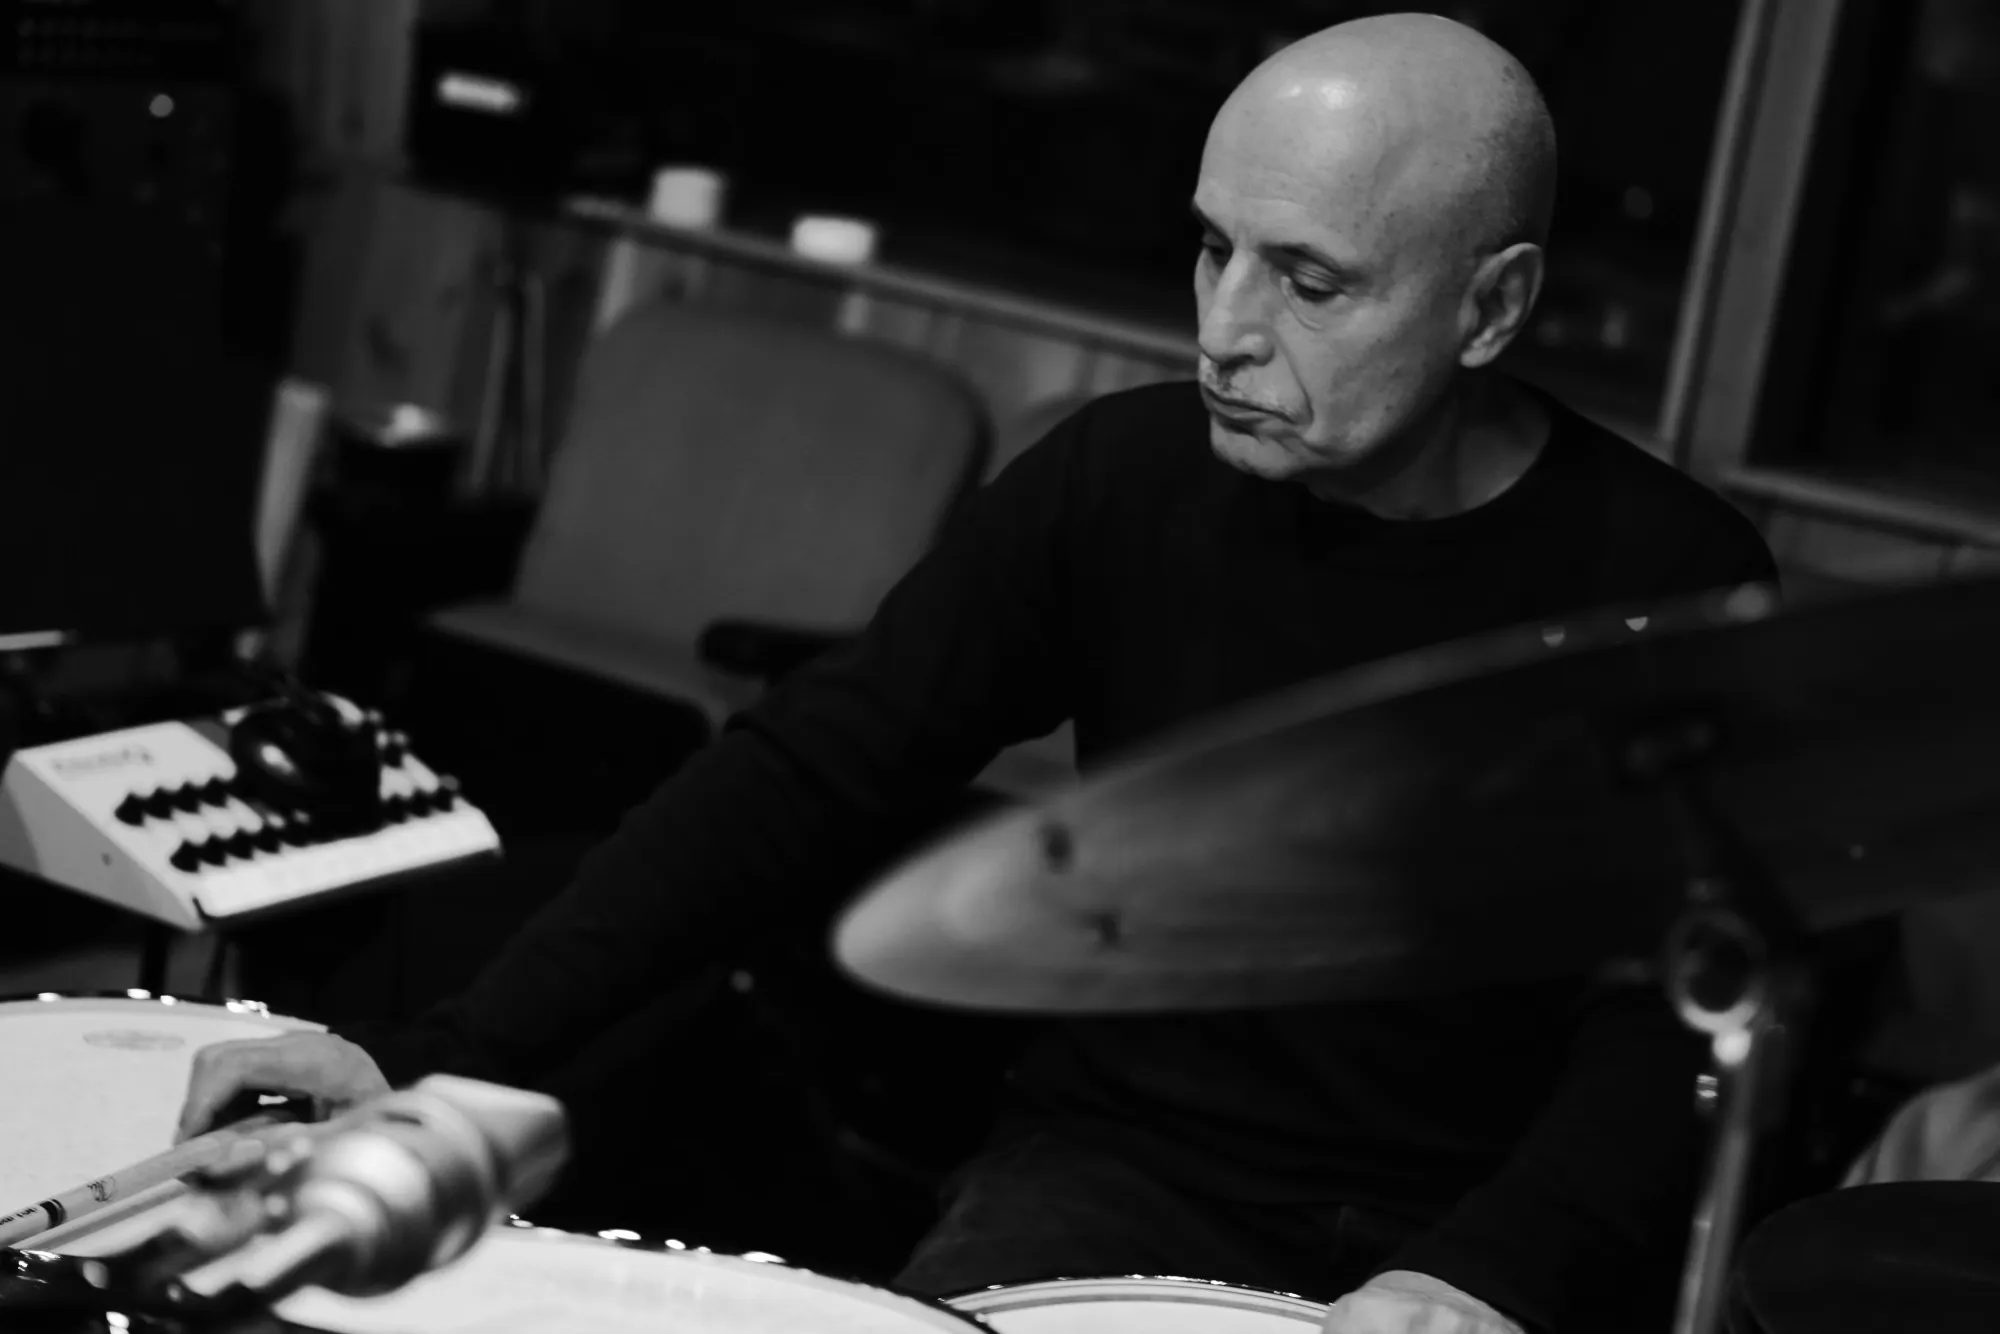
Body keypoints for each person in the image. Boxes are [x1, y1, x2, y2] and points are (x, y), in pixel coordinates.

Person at [177, 14, 1776, 1333]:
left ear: (1492, 307)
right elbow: (811, 770)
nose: (1223, 329)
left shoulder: (1664, 576)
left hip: (1483, 1216)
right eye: (1211, 248)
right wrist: (435, 1052)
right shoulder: (1124, 480)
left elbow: (1681, 1009)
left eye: (1309, 282)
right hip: (1123, 1173)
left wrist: (1494, 1274)